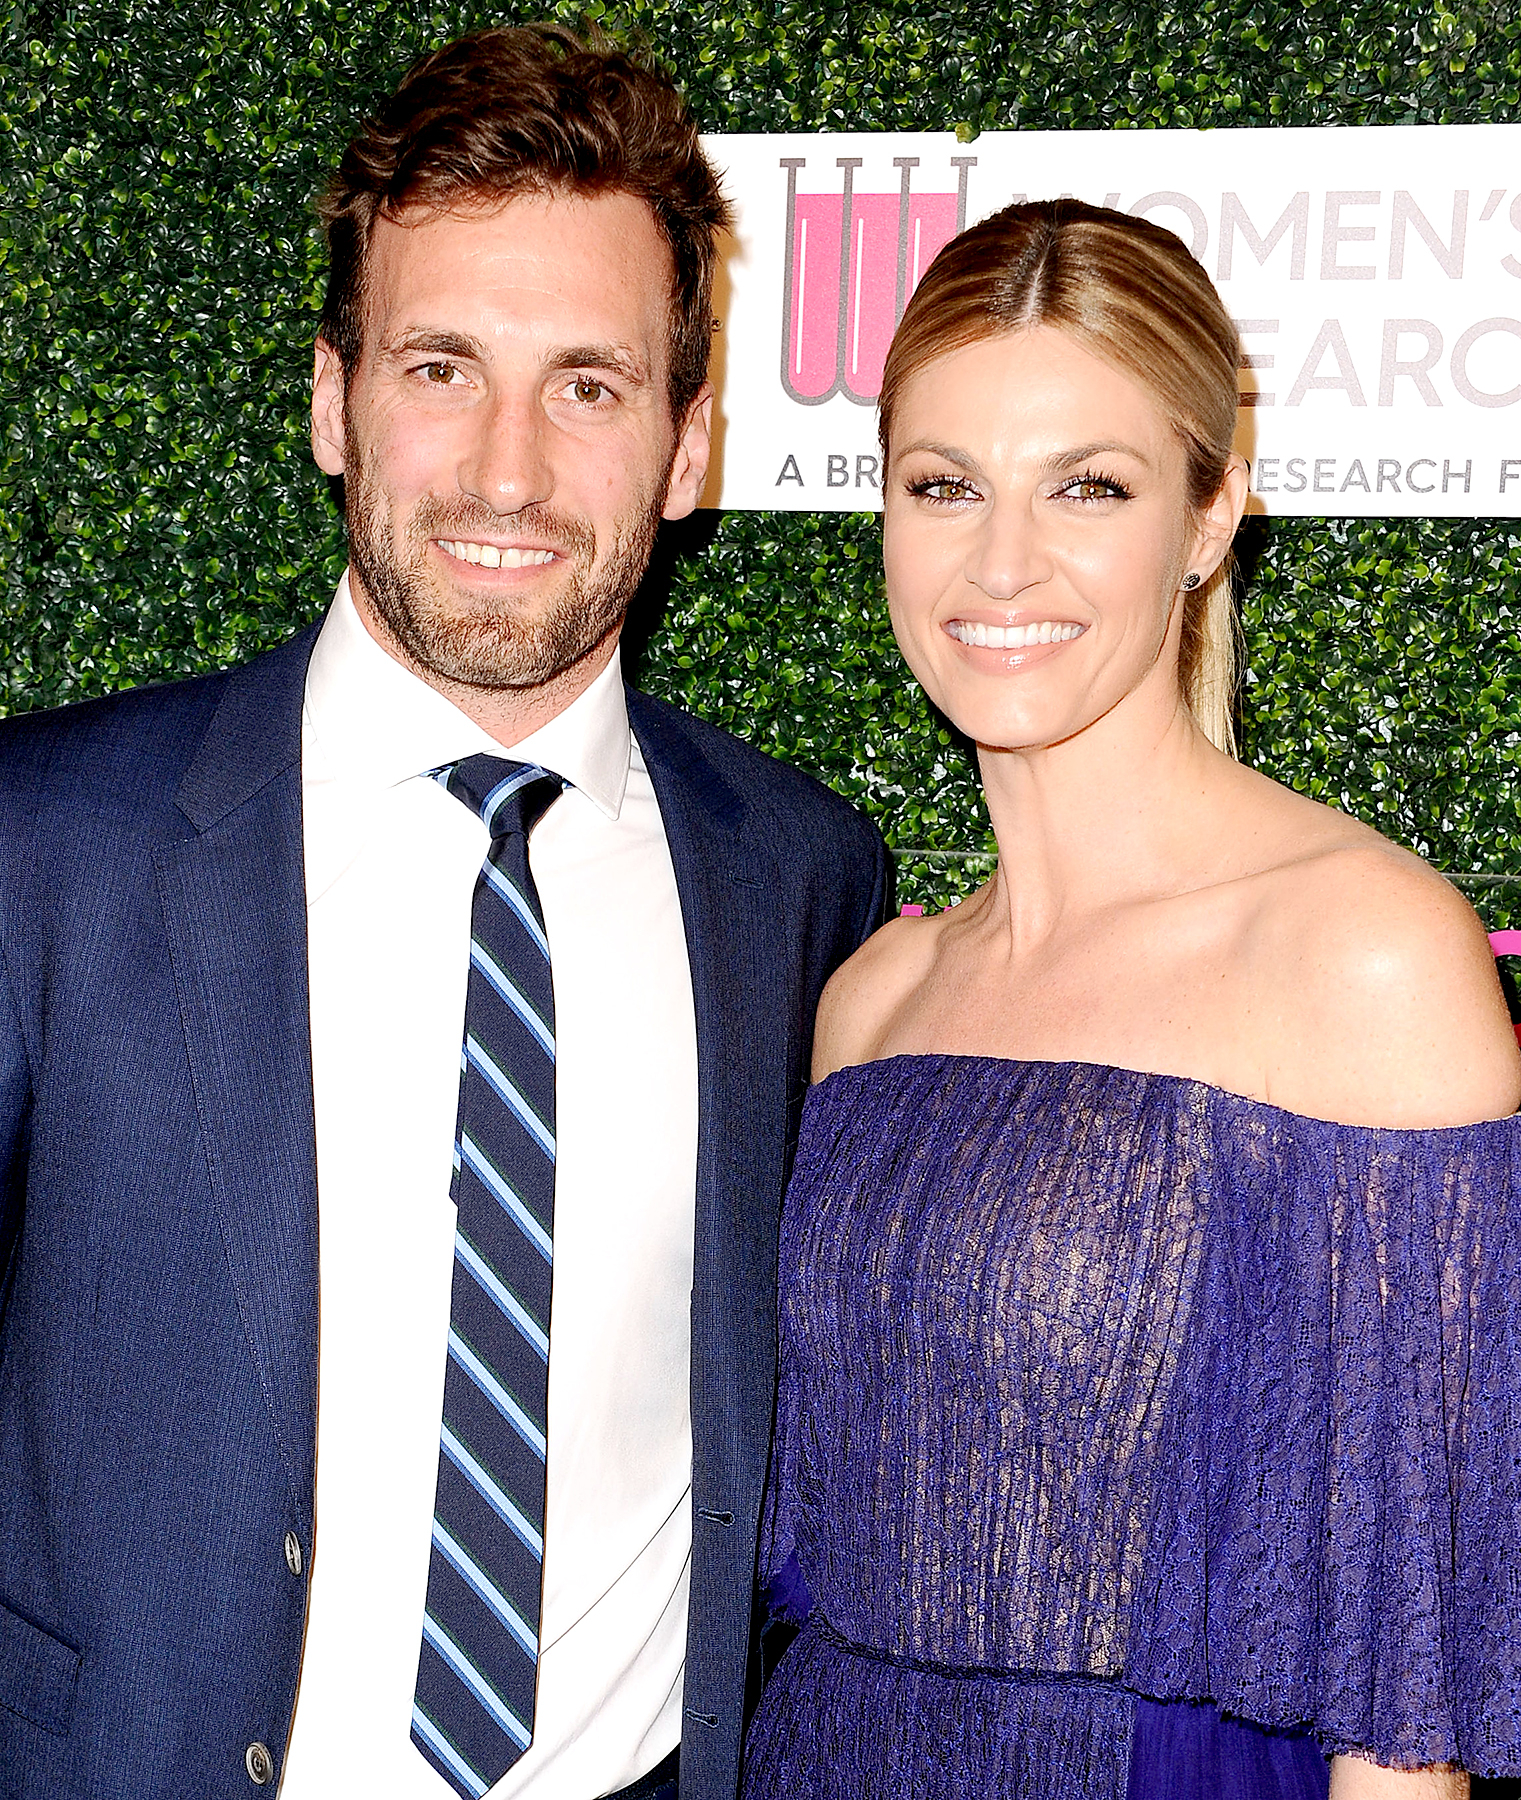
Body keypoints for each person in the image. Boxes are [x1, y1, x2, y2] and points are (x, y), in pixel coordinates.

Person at [0, 26, 889, 1800]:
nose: (504, 470)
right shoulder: (42, 845)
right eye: (438, 368)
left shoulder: (799, 880)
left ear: (688, 442)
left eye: (587, 384)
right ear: (334, 402)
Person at [741, 199, 1521, 1800]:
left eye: (1087, 487)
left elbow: (1402, 1699)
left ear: (1211, 511)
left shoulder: (1359, 954)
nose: (1001, 562)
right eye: (942, 487)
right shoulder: (876, 998)